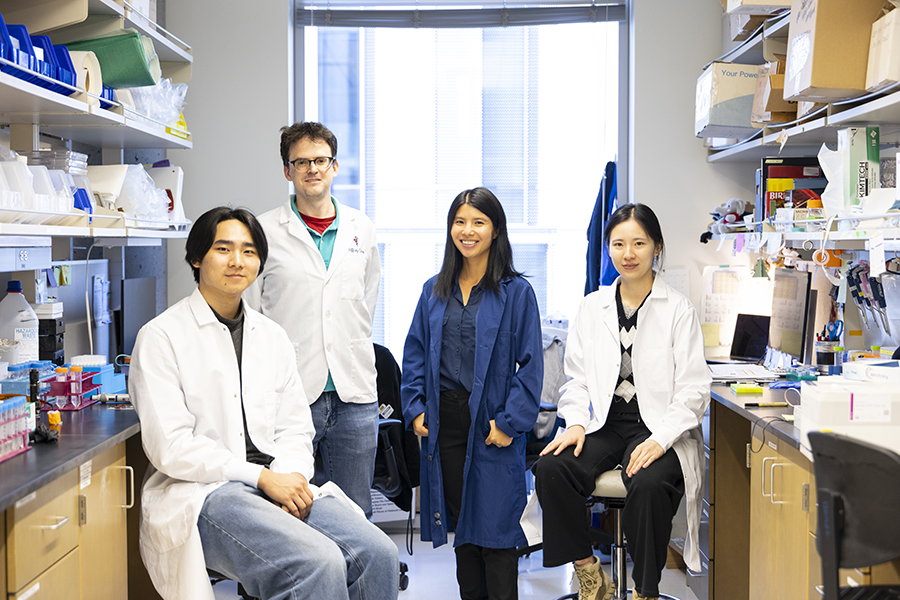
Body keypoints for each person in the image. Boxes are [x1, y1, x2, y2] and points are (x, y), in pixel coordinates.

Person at [129, 207, 398, 600]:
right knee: (317, 562)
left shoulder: (273, 337)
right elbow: (171, 446)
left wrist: (289, 478)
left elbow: (294, 428)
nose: (237, 261)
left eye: (249, 251)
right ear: (197, 257)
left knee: (378, 553)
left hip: (276, 482)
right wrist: (261, 479)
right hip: (205, 492)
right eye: (224, 249)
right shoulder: (161, 337)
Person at [532, 203, 710, 600]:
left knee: (648, 483)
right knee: (551, 468)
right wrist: (575, 423)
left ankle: (646, 590)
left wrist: (660, 440)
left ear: (656, 247)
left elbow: (693, 389)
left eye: (639, 243)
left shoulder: (678, 309)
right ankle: (590, 574)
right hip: (605, 424)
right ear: (608, 248)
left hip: (659, 427)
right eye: (618, 244)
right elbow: (577, 379)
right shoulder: (591, 307)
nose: (628, 254)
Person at [401, 187, 544, 600]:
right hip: (445, 424)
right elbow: (414, 353)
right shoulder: (434, 290)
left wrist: (510, 423)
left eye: (478, 222)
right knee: (464, 533)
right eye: (459, 222)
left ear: (495, 230)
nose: (468, 231)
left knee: (497, 535)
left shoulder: (517, 293)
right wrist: (415, 408)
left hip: (492, 422)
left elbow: (531, 365)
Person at [246, 122, 381, 517]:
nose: (312, 169)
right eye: (301, 162)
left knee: (356, 514)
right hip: (289, 395)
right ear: (287, 171)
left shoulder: (361, 228)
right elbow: (251, 314)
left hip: (354, 395)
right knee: (285, 511)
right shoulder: (264, 231)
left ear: (334, 166)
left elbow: (366, 302)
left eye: (320, 160)